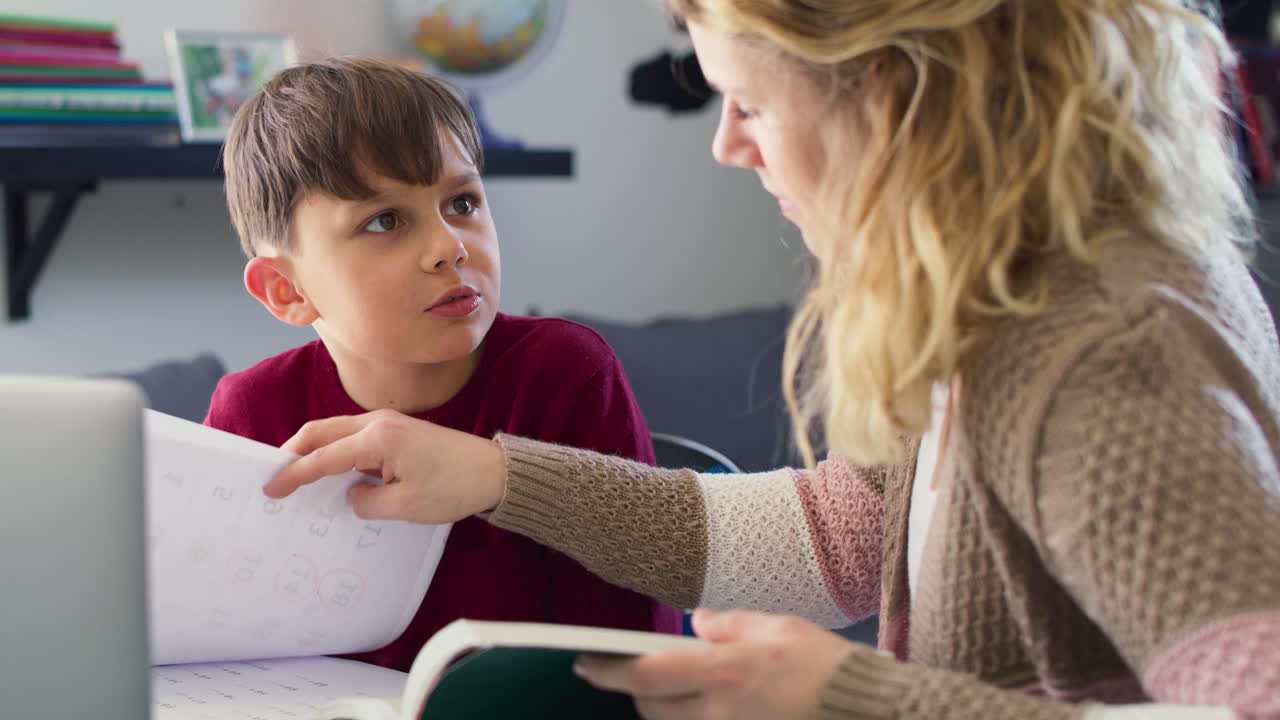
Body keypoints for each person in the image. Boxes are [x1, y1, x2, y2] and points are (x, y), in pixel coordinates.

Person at [265, 3, 1280, 719]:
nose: (726, 145)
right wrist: (490, 476)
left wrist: (855, 702)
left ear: (890, 97)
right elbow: (834, 540)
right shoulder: (1008, 302)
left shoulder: (1104, 352)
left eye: (746, 100)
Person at [208, 57, 682, 672]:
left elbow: (634, 655)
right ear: (286, 291)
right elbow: (223, 641)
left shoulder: (566, 374)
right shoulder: (251, 412)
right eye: (384, 221)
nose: (449, 247)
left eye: (462, 202)